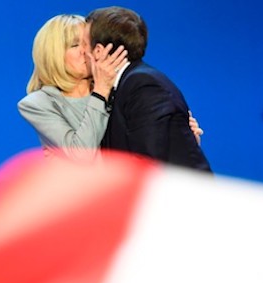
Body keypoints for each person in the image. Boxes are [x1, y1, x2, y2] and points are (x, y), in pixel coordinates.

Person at [18, 14, 204, 162]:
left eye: (87, 42)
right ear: (53, 55)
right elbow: (83, 155)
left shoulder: (120, 89)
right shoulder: (38, 103)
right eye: (75, 45)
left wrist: (178, 136)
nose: (86, 51)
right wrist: (100, 93)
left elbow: (138, 148)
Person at [85, 6, 212, 172]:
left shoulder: (143, 85)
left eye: (83, 44)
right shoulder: (125, 84)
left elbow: (148, 164)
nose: (81, 52)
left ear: (99, 51)